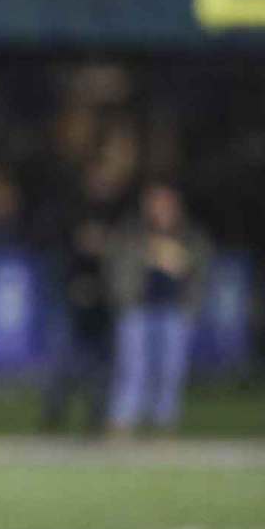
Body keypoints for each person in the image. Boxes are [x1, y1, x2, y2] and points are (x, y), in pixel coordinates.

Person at [105, 181, 210, 435]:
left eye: (166, 203)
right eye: (155, 203)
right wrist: (148, 255)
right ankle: (123, 421)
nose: (160, 209)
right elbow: (116, 265)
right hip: (137, 307)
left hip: (176, 309)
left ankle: (163, 424)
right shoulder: (132, 233)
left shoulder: (190, 235)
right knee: (133, 366)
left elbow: (201, 268)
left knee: (170, 368)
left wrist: (179, 261)